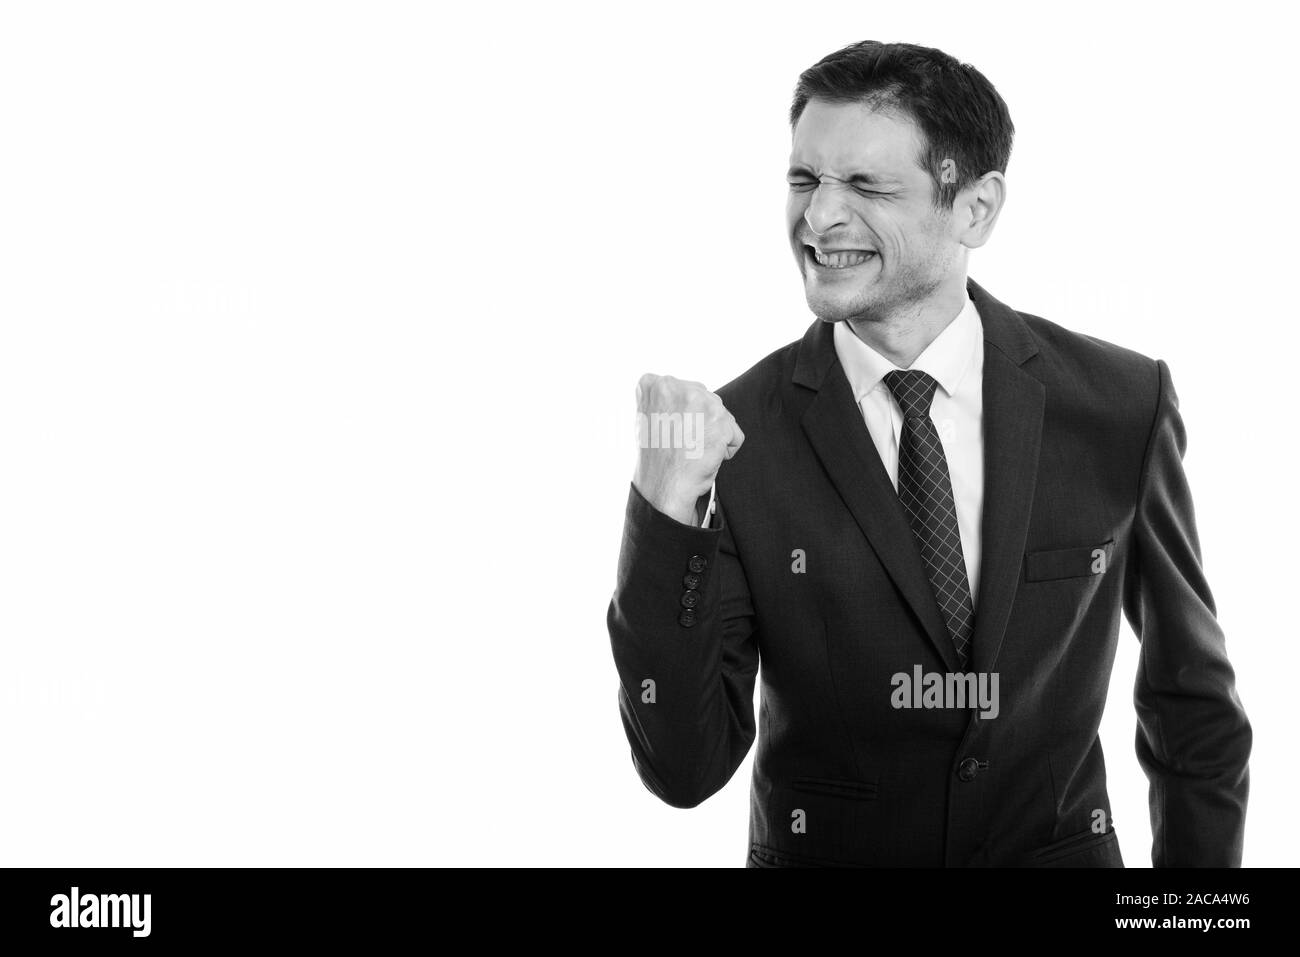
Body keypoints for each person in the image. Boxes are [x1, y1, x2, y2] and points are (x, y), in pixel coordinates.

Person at [607, 40, 1251, 867]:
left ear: (975, 208)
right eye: (804, 180)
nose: (819, 217)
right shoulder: (737, 433)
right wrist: (662, 516)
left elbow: (1194, 706)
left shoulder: (1121, 405)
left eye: (867, 185)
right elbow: (682, 768)